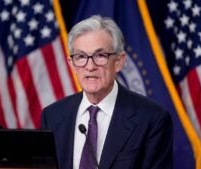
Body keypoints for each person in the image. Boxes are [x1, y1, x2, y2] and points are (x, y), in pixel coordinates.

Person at [40, 15, 172, 169]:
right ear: (72, 63)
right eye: (81, 57)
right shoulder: (52, 116)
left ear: (119, 61)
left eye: (100, 56)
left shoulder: (152, 119)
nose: (90, 67)